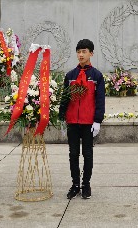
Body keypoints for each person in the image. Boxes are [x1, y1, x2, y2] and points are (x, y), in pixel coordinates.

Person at [59, 38, 105, 200]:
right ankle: (75, 184)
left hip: (88, 123)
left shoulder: (97, 76)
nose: (81, 55)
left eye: (84, 51)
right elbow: (64, 97)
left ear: (91, 53)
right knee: (73, 154)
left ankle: (86, 185)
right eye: (78, 52)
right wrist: (61, 117)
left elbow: (100, 100)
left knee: (87, 154)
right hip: (72, 121)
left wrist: (97, 120)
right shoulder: (70, 75)